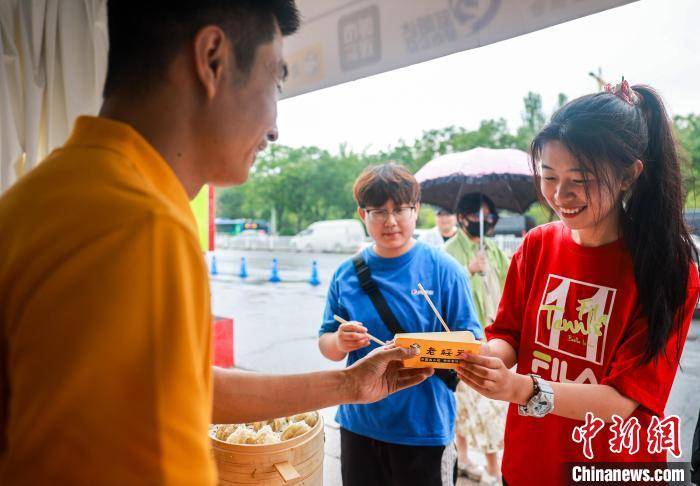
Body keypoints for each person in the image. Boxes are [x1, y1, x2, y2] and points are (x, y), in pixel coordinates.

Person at [0, 2, 433, 484]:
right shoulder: (139, 225)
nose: (274, 128)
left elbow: (174, 389)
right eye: (275, 83)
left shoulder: (39, 198)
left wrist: (350, 383)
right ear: (211, 59)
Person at [456, 81, 700, 485]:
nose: (560, 194)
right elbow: (508, 334)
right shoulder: (536, 245)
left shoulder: (667, 269)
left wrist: (519, 389)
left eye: (580, 178)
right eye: (549, 177)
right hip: (530, 464)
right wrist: (482, 360)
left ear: (628, 175)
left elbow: (621, 401)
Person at [318, 162, 483, 486]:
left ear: (416, 210)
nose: (390, 221)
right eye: (378, 211)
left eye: (400, 209)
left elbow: (473, 341)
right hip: (359, 424)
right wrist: (340, 341)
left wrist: (435, 349)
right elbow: (327, 344)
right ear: (362, 215)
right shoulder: (346, 275)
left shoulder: (444, 270)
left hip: (424, 428)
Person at [444, 193, 509, 485]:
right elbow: (444, 296)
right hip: (462, 339)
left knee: (491, 406)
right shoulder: (449, 252)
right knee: (465, 406)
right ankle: (468, 460)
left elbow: (511, 285)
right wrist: (468, 272)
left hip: (494, 338)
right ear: (462, 218)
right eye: (477, 216)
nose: (484, 222)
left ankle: (494, 468)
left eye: (488, 216)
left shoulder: (494, 250)